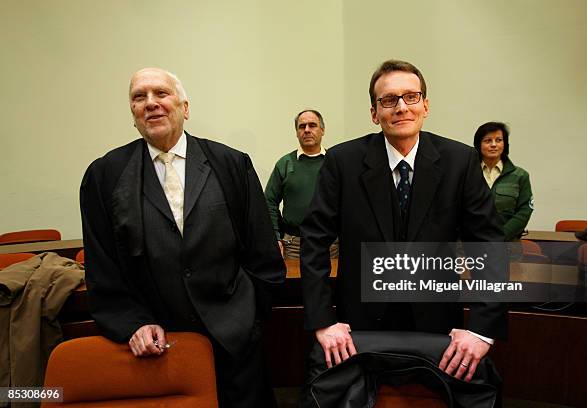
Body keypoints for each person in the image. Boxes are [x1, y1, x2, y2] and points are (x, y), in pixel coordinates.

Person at [80, 67, 285, 408]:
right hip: (157, 345)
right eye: (139, 97)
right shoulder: (104, 175)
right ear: (132, 113)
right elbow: (103, 268)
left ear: (185, 107)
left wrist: (248, 316)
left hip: (236, 346)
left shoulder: (231, 164)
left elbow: (263, 253)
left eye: (161, 93)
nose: (151, 103)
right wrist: (134, 323)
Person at [300, 59, 507, 383]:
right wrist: (323, 321)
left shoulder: (460, 160)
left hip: (437, 327)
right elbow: (314, 239)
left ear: (425, 106)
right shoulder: (343, 162)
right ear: (374, 112)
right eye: (388, 100)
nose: (401, 107)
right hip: (361, 326)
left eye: (411, 97)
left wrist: (482, 330)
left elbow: (490, 244)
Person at [265, 109, 338, 259]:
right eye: (302, 126)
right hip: (293, 245)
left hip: (330, 243)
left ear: (322, 130)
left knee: (332, 283)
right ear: (296, 132)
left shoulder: (335, 162)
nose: (307, 130)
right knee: (295, 283)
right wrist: (276, 237)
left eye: (312, 125)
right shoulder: (284, 164)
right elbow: (269, 202)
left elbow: (349, 202)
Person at [474, 122, 534, 241]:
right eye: (488, 141)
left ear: (505, 144)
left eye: (499, 140)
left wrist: (500, 236)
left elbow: (524, 211)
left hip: (507, 245)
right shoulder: (468, 173)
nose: (494, 145)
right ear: (478, 145)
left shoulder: (519, 176)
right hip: (472, 245)